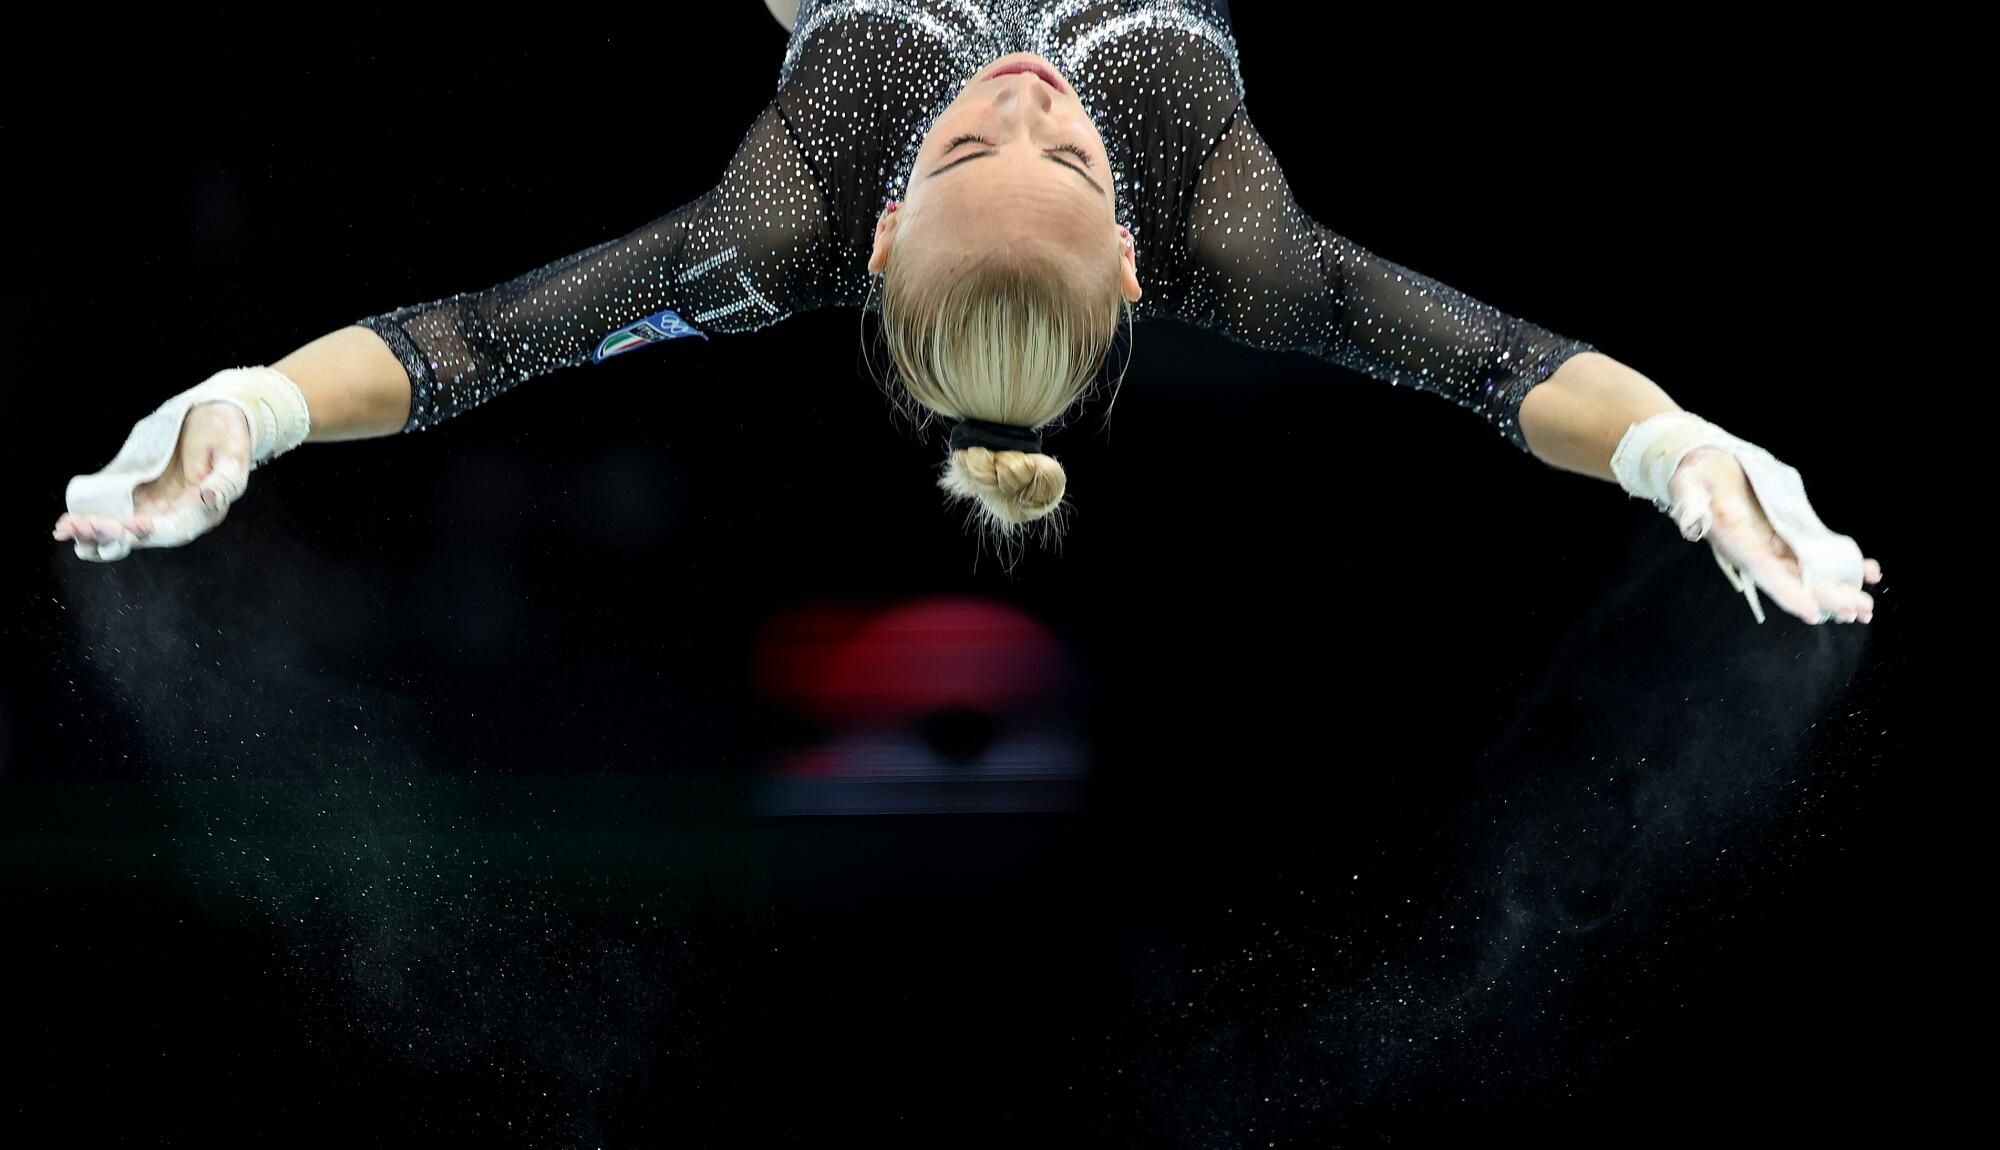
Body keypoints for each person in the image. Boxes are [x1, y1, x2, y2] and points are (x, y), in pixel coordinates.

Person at [54, 0, 1879, 623]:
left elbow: (472, 342)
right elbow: (1497, 366)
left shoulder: (772, 226)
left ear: (875, 231)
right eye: (1070, 157)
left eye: (958, 149)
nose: (1017, 91)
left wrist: (259, 406)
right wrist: (1670, 447)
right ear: (1140, 256)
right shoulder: (1239, 236)